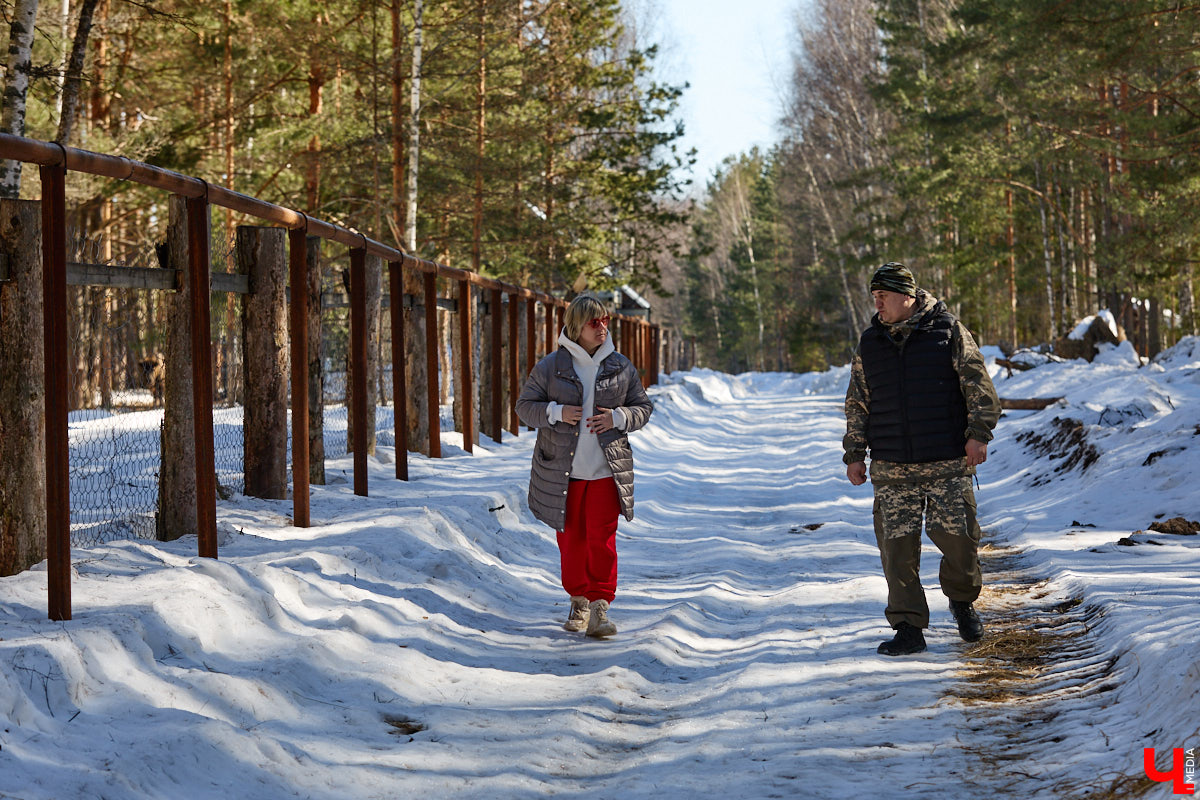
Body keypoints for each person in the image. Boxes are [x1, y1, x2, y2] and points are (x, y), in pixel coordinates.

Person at [843, 263, 1002, 656]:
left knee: (961, 544)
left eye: (883, 296)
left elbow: (979, 386)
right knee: (896, 552)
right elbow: (857, 403)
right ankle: (908, 627)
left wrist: (978, 434)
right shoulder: (869, 344)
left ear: (907, 298)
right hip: (892, 467)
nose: (877, 303)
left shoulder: (948, 332)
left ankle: (962, 603)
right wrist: (854, 453)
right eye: (874, 297)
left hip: (946, 463)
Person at [516, 294, 653, 638]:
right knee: (572, 540)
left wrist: (618, 417)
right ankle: (578, 601)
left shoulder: (621, 366)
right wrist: (556, 412)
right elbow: (524, 407)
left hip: (607, 472)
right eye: (595, 322)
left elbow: (643, 408)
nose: (603, 327)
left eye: (605, 320)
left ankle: (600, 607)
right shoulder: (552, 366)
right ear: (577, 327)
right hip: (563, 472)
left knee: (602, 540)